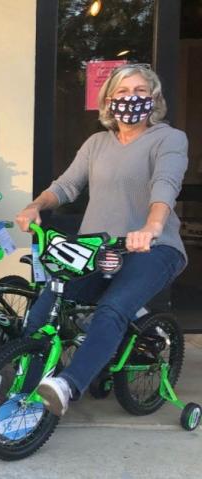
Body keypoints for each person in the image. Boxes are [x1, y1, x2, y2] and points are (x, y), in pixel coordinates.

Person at [15, 64, 188, 417]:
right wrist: (35, 206)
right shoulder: (96, 143)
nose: (131, 98)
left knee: (112, 309)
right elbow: (66, 186)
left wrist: (152, 227)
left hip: (152, 248)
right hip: (98, 249)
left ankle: (66, 386)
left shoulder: (169, 139)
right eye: (122, 92)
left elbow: (165, 186)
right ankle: (27, 390)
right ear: (108, 101)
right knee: (45, 307)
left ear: (153, 97)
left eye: (140, 90)